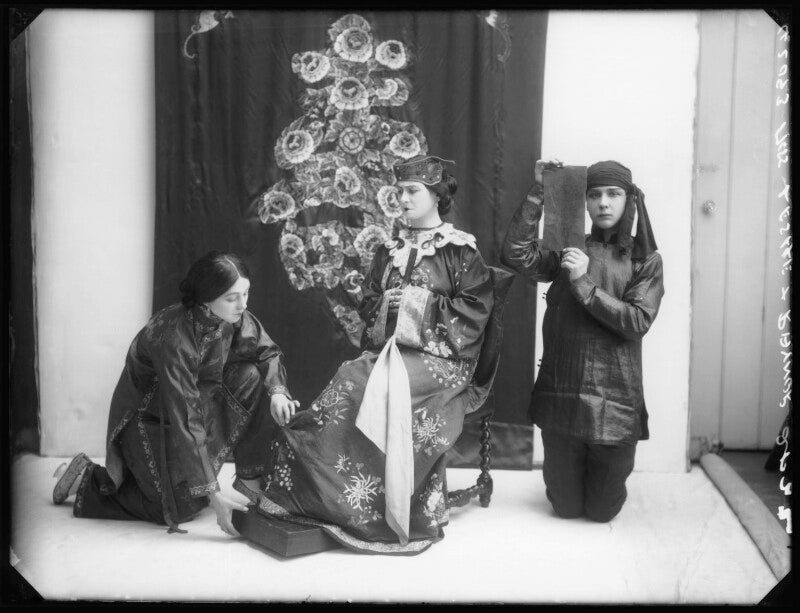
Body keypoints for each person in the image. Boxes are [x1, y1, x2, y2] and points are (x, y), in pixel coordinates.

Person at [253, 155, 494, 554]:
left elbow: (474, 313)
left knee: (379, 389)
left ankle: (390, 508)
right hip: (391, 350)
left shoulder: (460, 252)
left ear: (436, 196)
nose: (402, 198)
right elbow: (367, 304)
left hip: (442, 360)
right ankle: (334, 498)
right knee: (351, 379)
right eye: (399, 191)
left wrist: (416, 302)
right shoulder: (389, 250)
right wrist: (387, 303)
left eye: (412, 191)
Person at [52, 250, 298, 536]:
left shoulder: (233, 316)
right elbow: (185, 414)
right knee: (172, 510)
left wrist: (278, 391)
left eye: (246, 294)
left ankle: (250, 478)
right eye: (232, 297)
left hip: (199, 408)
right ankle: (90, 477)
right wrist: (214, 497)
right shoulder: (173, 337)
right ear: (207, 296)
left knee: (252, 375)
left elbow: (266, 351)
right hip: (150, 420)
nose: (242, 305)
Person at [501, 159, 664, 522]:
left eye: (613, 194)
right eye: (595, 195)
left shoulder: (645, 259)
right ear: (585, 203)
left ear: (629, 200)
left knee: (602, 511)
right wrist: (538, 190)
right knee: (565, 508)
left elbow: (636, 321)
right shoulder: (568, 248)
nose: (604, 203)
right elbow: (515, 255)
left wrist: (581, 280)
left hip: (616, 404)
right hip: (563, 399)